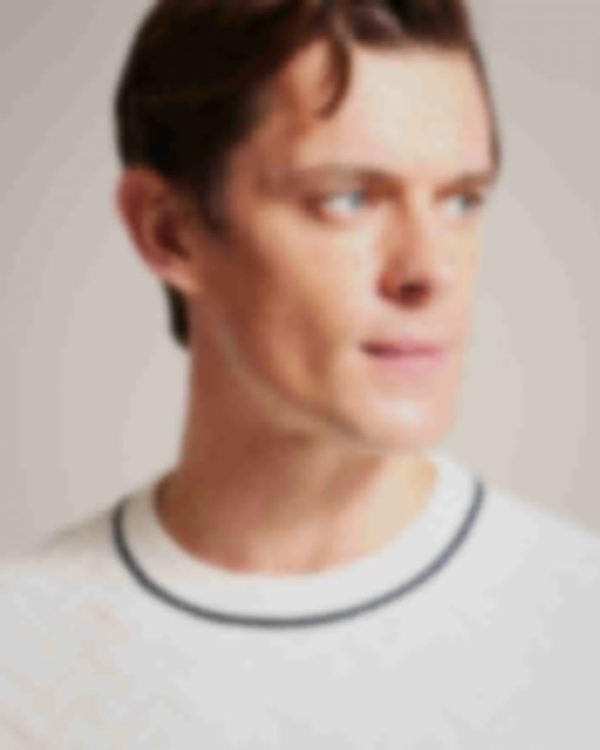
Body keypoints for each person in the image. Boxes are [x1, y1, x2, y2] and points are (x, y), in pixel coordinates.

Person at [1, 0, 599, 746]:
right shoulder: (20, 659)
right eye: (348, 199)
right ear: (168, 231)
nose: (431, 270)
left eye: (460, 201)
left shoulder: (581, 636)